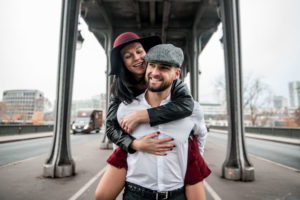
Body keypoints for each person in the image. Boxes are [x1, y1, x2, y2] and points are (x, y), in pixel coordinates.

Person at [95, 32, 210, 200]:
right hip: (137, 188)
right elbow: (112, 128)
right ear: (123, 63)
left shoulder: (176, 86)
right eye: (128, 56)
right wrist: (134, 144)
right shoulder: (122, 97)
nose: (137, 58)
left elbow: (187, 107)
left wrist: (144, 115)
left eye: (139, 51)